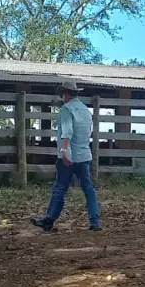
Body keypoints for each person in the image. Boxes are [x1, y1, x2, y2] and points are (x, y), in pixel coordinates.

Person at [31, 81, 101, 232]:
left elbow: (67, 131)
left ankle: (49, 220)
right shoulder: (85, 110)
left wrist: (64, 151)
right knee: (88, 188)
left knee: (60, 188)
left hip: (68, 156)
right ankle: (95, 221)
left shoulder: (66, 109)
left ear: (66, 94)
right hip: (84, 155)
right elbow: (88, 132)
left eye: (62, 94)